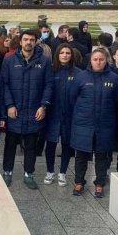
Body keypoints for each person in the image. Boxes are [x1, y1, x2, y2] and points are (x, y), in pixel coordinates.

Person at [1, 30, 53, 188]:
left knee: (31, 146)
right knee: (10, 144)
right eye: (25, 39)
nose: (28, 42)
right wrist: (9, 105)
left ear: (36, 41)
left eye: (31, 39)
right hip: (15, 111)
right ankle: (7, 172)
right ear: (20, 42)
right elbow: (5, 84)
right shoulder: (9, 60)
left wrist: (43, 106)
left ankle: (29, 174)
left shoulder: (44, 62)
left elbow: (48, 85)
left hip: (33, 111)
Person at [69, 49, 118, 198]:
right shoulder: (80, 77)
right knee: (81, 156)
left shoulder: (114, 79)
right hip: (83, 124)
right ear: (90, 61)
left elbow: (117, 101)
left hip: (104, 124)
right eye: (95, 59)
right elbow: (72, 99)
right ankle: (79, 182)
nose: (98, 62)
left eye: (101, 59)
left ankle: (99, 184)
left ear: (106, 60)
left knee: (102, 156)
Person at [43, 44, 81, 186]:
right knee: (51, 144)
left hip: (70, 115)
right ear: (57, 55)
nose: (65, 55)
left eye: (68, 53)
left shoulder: (78, 73)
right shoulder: (51, 71)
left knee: (67, 145)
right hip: (52, 114)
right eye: (62, 53)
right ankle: (49, 171)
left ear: (72, 55)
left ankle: (63, 173)